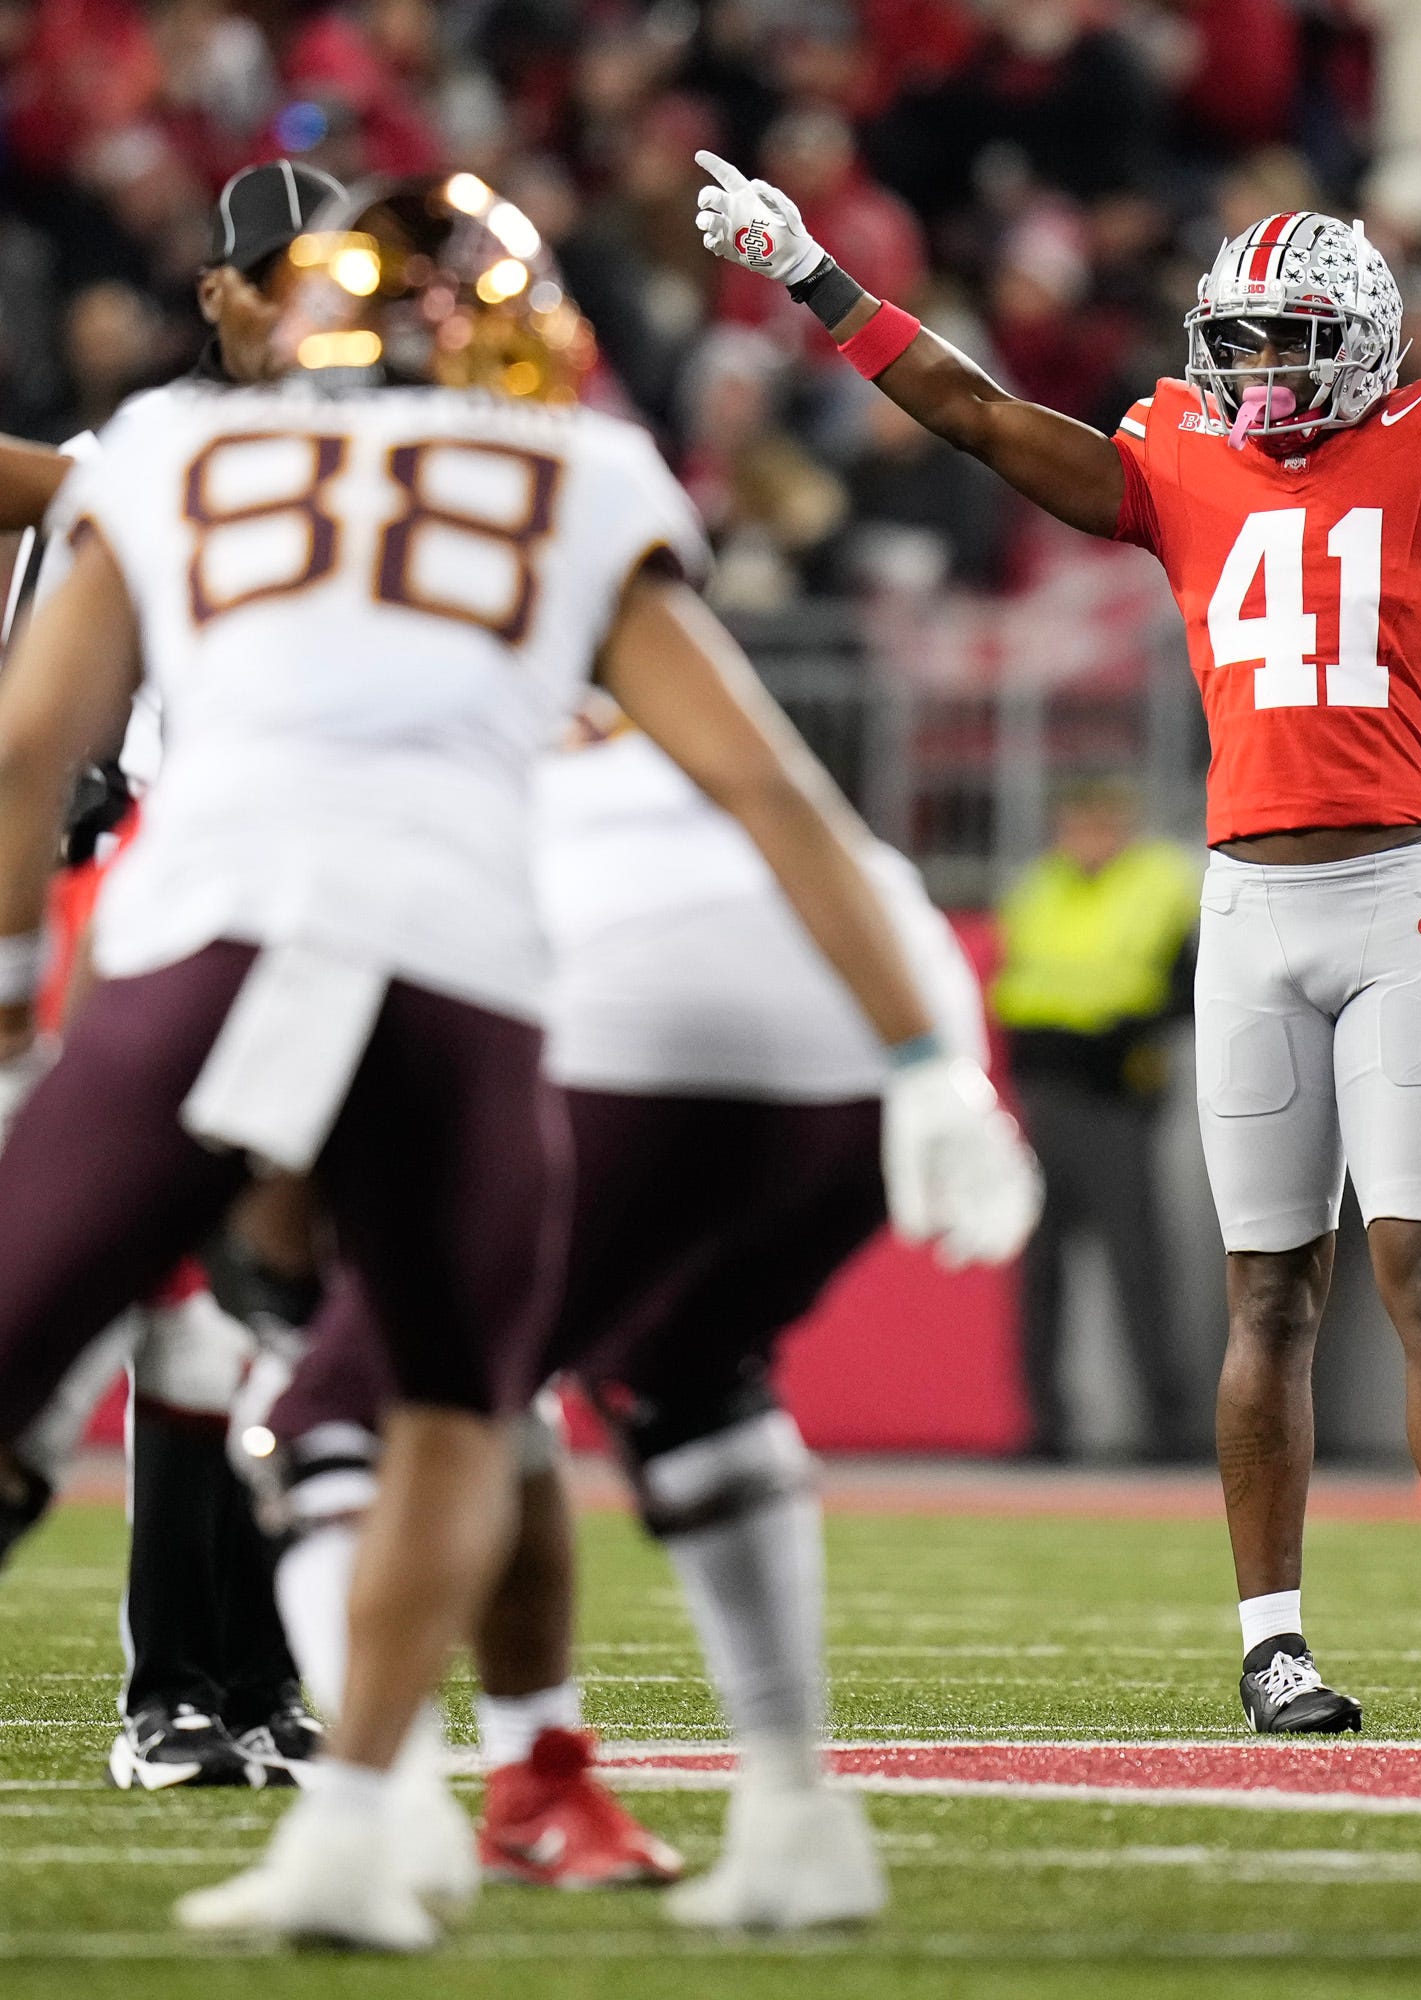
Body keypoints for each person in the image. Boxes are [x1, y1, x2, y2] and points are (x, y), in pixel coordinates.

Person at [694, 85, 1421, 1737]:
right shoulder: (1175, 452)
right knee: (1269, 1294)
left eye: (1296, 342)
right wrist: (810, 272)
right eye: (1243, 342)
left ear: (1366, 339)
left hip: (1394, 901)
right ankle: (1275, 1642)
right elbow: (980, 415)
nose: (1263, 375)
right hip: (1248, 914)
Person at [0, 174, 1034, 1950]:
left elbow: (28, 751)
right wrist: (932, 1051)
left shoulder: (172, 448)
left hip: (228, 932)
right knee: (457, 1410)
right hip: (469, 970)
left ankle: (367, 1802)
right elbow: (772, 782)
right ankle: (374, 1816)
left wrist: (22, 1018)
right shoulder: (576, 477)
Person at [245, 699, 1005, 1927]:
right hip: (892, 1000)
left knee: (324, 1416)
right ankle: (797, 1822)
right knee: (690, 1377)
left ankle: (372, 1814)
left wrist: (292, 1287)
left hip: (638, 1000)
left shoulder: (348, 746)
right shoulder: (608, 673)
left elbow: (300, 1016)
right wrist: (937, 1069)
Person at [0, 158, 352, 1794]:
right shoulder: (143, 454)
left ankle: (267, 1681)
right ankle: (173, 1697)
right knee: (180, 1319)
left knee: (295, 1319)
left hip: (346, 910)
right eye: (277, 272)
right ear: (218, 291)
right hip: (171, 896)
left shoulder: (396, 450)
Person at [994, 779, 1202, 1462]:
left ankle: (1165, 1427)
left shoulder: (1161, 883)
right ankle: (1045, 1426)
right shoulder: (1038, 889)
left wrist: (1119, 1035)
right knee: (1040, 1274)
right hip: (1046, 1098)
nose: (1087, 839)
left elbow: (1183, 985)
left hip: (1117, 1097)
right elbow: (1014, 982)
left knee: (1138, 1265)